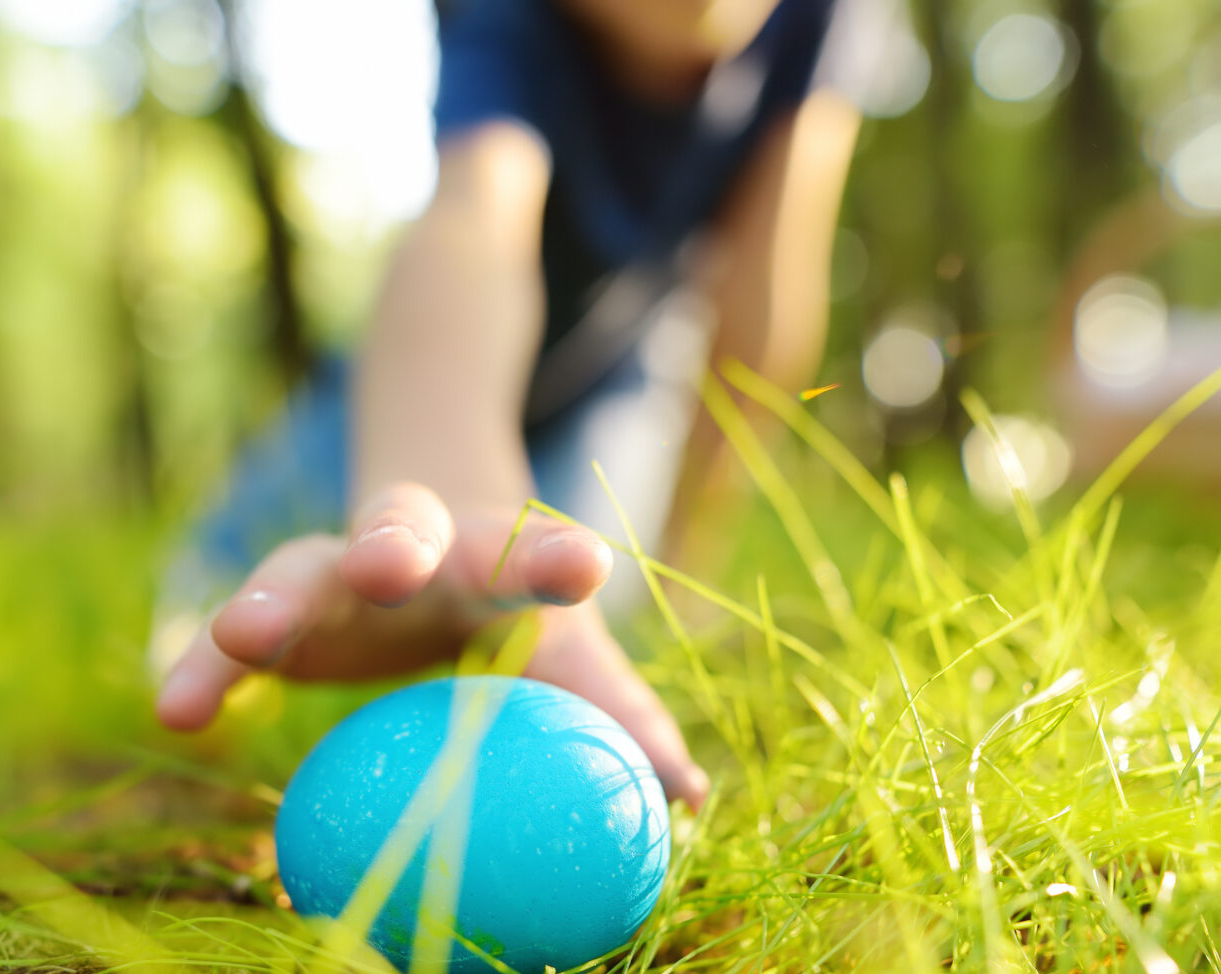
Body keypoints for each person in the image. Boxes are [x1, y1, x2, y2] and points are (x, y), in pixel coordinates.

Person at [154, 0, 875, 808]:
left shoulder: (822, 17)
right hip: (410, 381)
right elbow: (475, 213)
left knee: (584, 618)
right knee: (204, 619)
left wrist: (687, 563)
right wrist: (448, 480)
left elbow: (764, 295)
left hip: (613, 387)